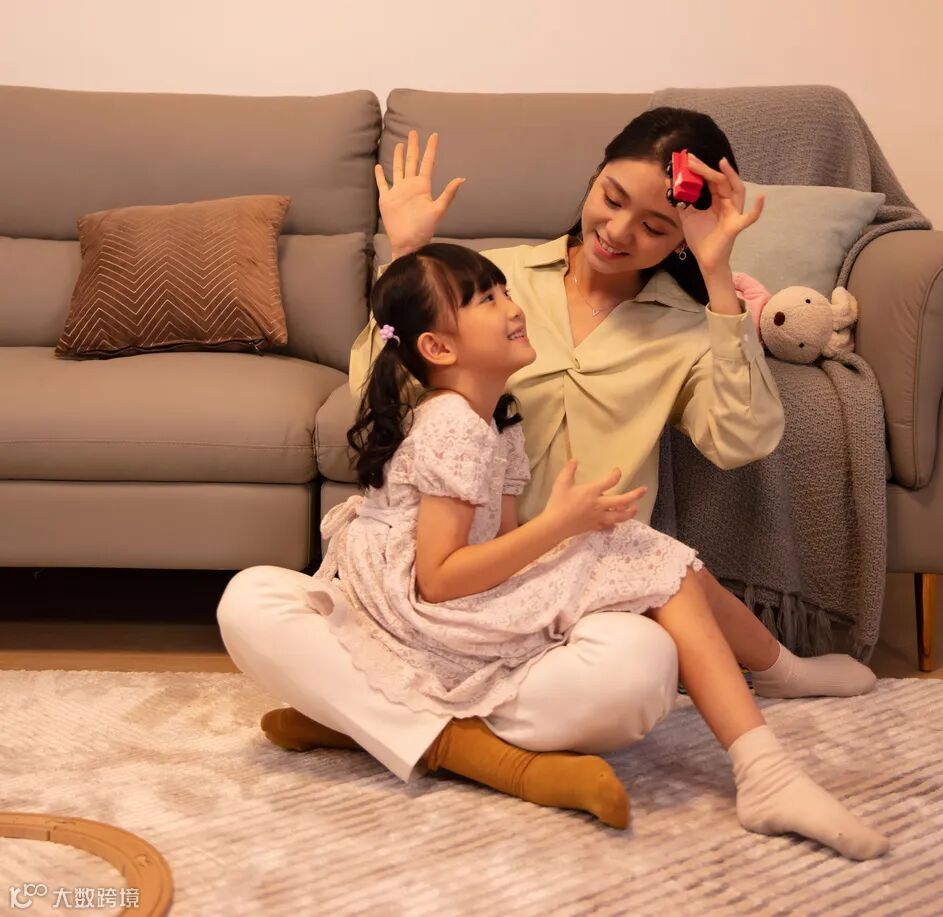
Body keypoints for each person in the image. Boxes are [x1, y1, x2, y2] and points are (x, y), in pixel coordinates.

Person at [217, 107, 875, 831]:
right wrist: (406, 257)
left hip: (561, 596)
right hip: (440, 585)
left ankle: (364, 720)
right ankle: (478, 752)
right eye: (612, 198)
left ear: (683, 237)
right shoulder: (491, 282)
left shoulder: (689, 326)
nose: (618, 231)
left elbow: (742, 440)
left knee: (642, 674)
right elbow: (382, 393)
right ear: (593, 176)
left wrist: (719, 279)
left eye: (656, 226)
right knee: (250, 603)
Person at [306, 240, 888, 858]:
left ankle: (778, 678)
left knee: (642, 552)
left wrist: (570, 536)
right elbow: (438, 580)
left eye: (504, 290)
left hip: (456, 589)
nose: (512, 306)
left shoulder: (496, 418)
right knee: (637, 554)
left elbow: (499, 545)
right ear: (439, 348)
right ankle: (768, 748)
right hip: (415, 607)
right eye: (486, 300)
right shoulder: (451, 424)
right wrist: (560, 527)